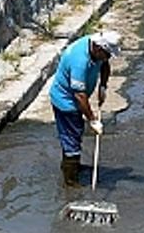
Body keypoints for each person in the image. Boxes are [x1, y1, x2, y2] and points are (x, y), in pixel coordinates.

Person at [49, 30, 121, 187]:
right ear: (98, 48)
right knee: (71, 137)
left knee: (74, 134)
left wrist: (103, 86)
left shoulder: (97, 48)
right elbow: (79, 96)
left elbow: (105, 65)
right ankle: (70, 181)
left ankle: (72, 164)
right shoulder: (79, 61)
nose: (108, 57)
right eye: (107, 54)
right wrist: (93, 120)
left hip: (77, 98)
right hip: (66, 102)